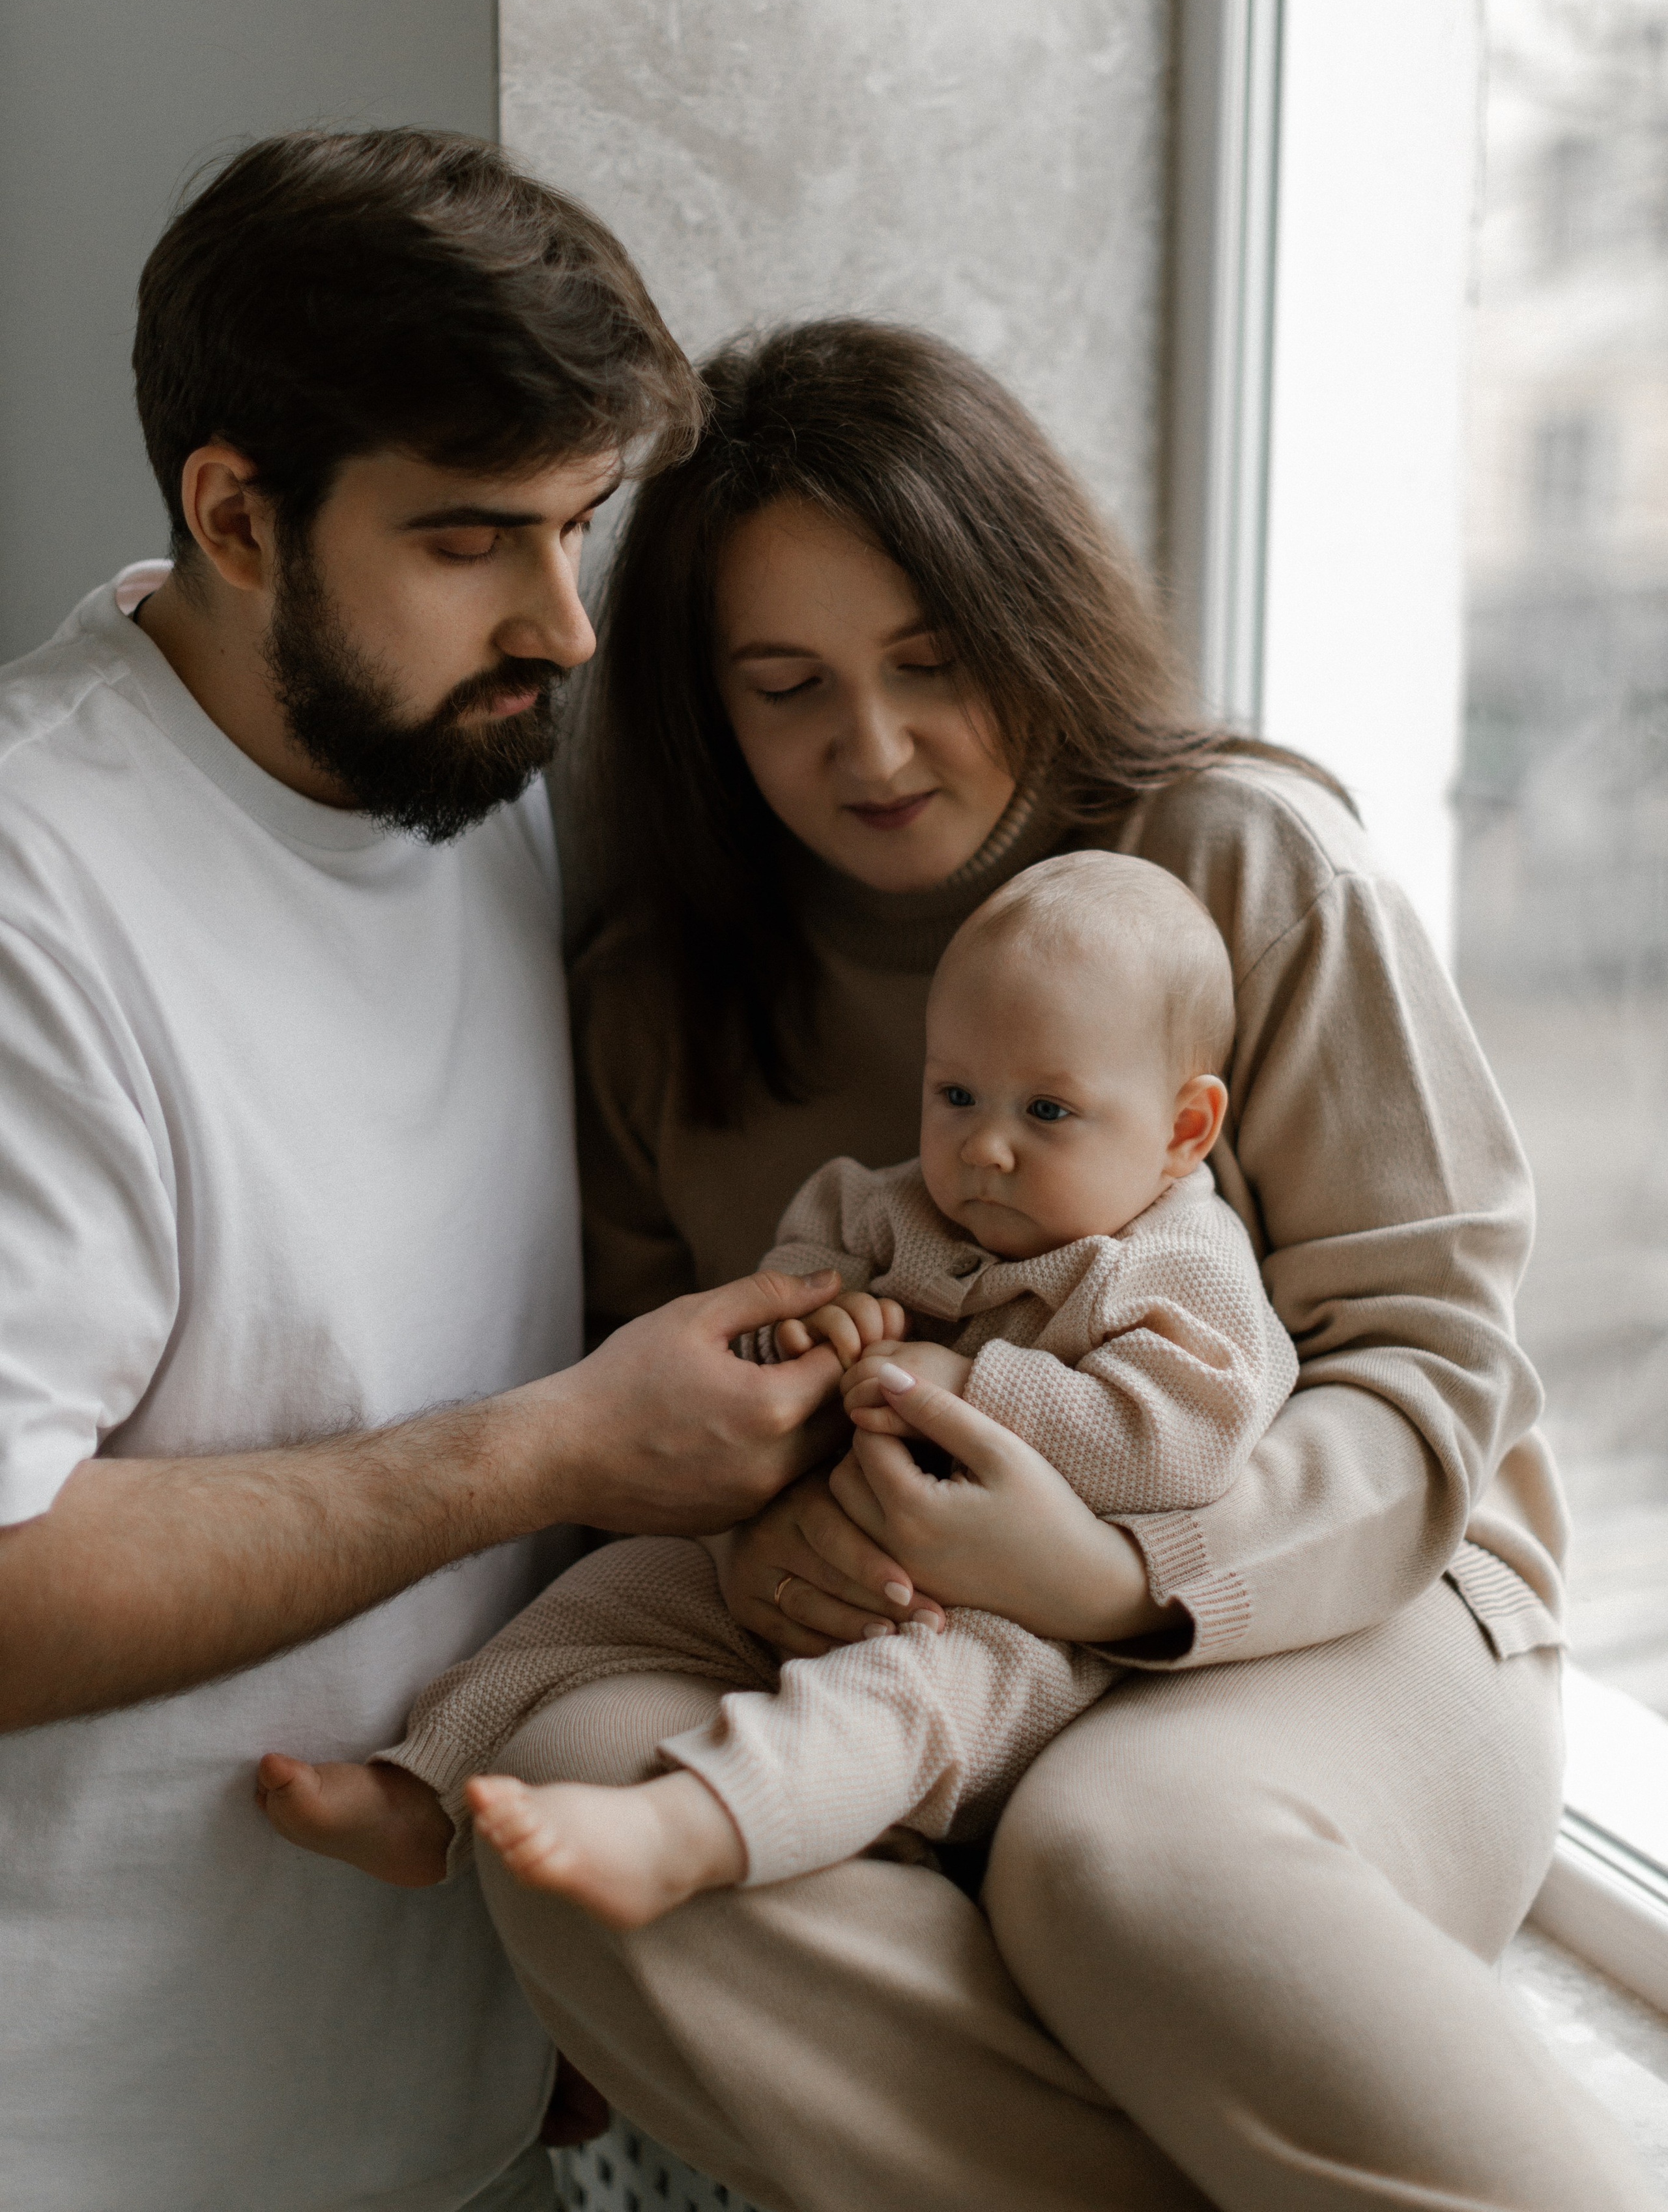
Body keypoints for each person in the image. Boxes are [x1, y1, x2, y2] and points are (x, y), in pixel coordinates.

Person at [470, 319, 1659, 2210]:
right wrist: (772, 1538)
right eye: (788, 688)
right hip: (903, 1656)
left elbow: (1431, 1367)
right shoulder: (656, 1008)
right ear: (707, 710)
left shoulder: (1239, 861)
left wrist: (1119, 1573)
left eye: (930, 665)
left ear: (1024, 617)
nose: (873, 747)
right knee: (576, 1795)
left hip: (1353, 1616)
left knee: (1117, 1850)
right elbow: (658, 1400)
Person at [0, 130, 856, 2212]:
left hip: (463, 2105)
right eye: (475, 537)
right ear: (236, 514)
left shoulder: (477, 762)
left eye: (580, 527)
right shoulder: (40, 904)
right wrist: (553, 1450)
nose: (561, 623)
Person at [257, 849, 1298, 1919]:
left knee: (904, 1701)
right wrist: (815, 1330)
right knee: (618, 1590)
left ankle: (692, 1828)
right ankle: (428, 1787)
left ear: (1183, 1131)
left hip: (1009, 1626)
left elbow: (1183, 1438)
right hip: (798, 1560)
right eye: (955, 1094)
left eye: (1048, 1113)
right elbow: (776, 1327)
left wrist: (973, 1385)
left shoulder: (1176, 1266)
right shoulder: (878, 1209)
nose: (984, 1148)